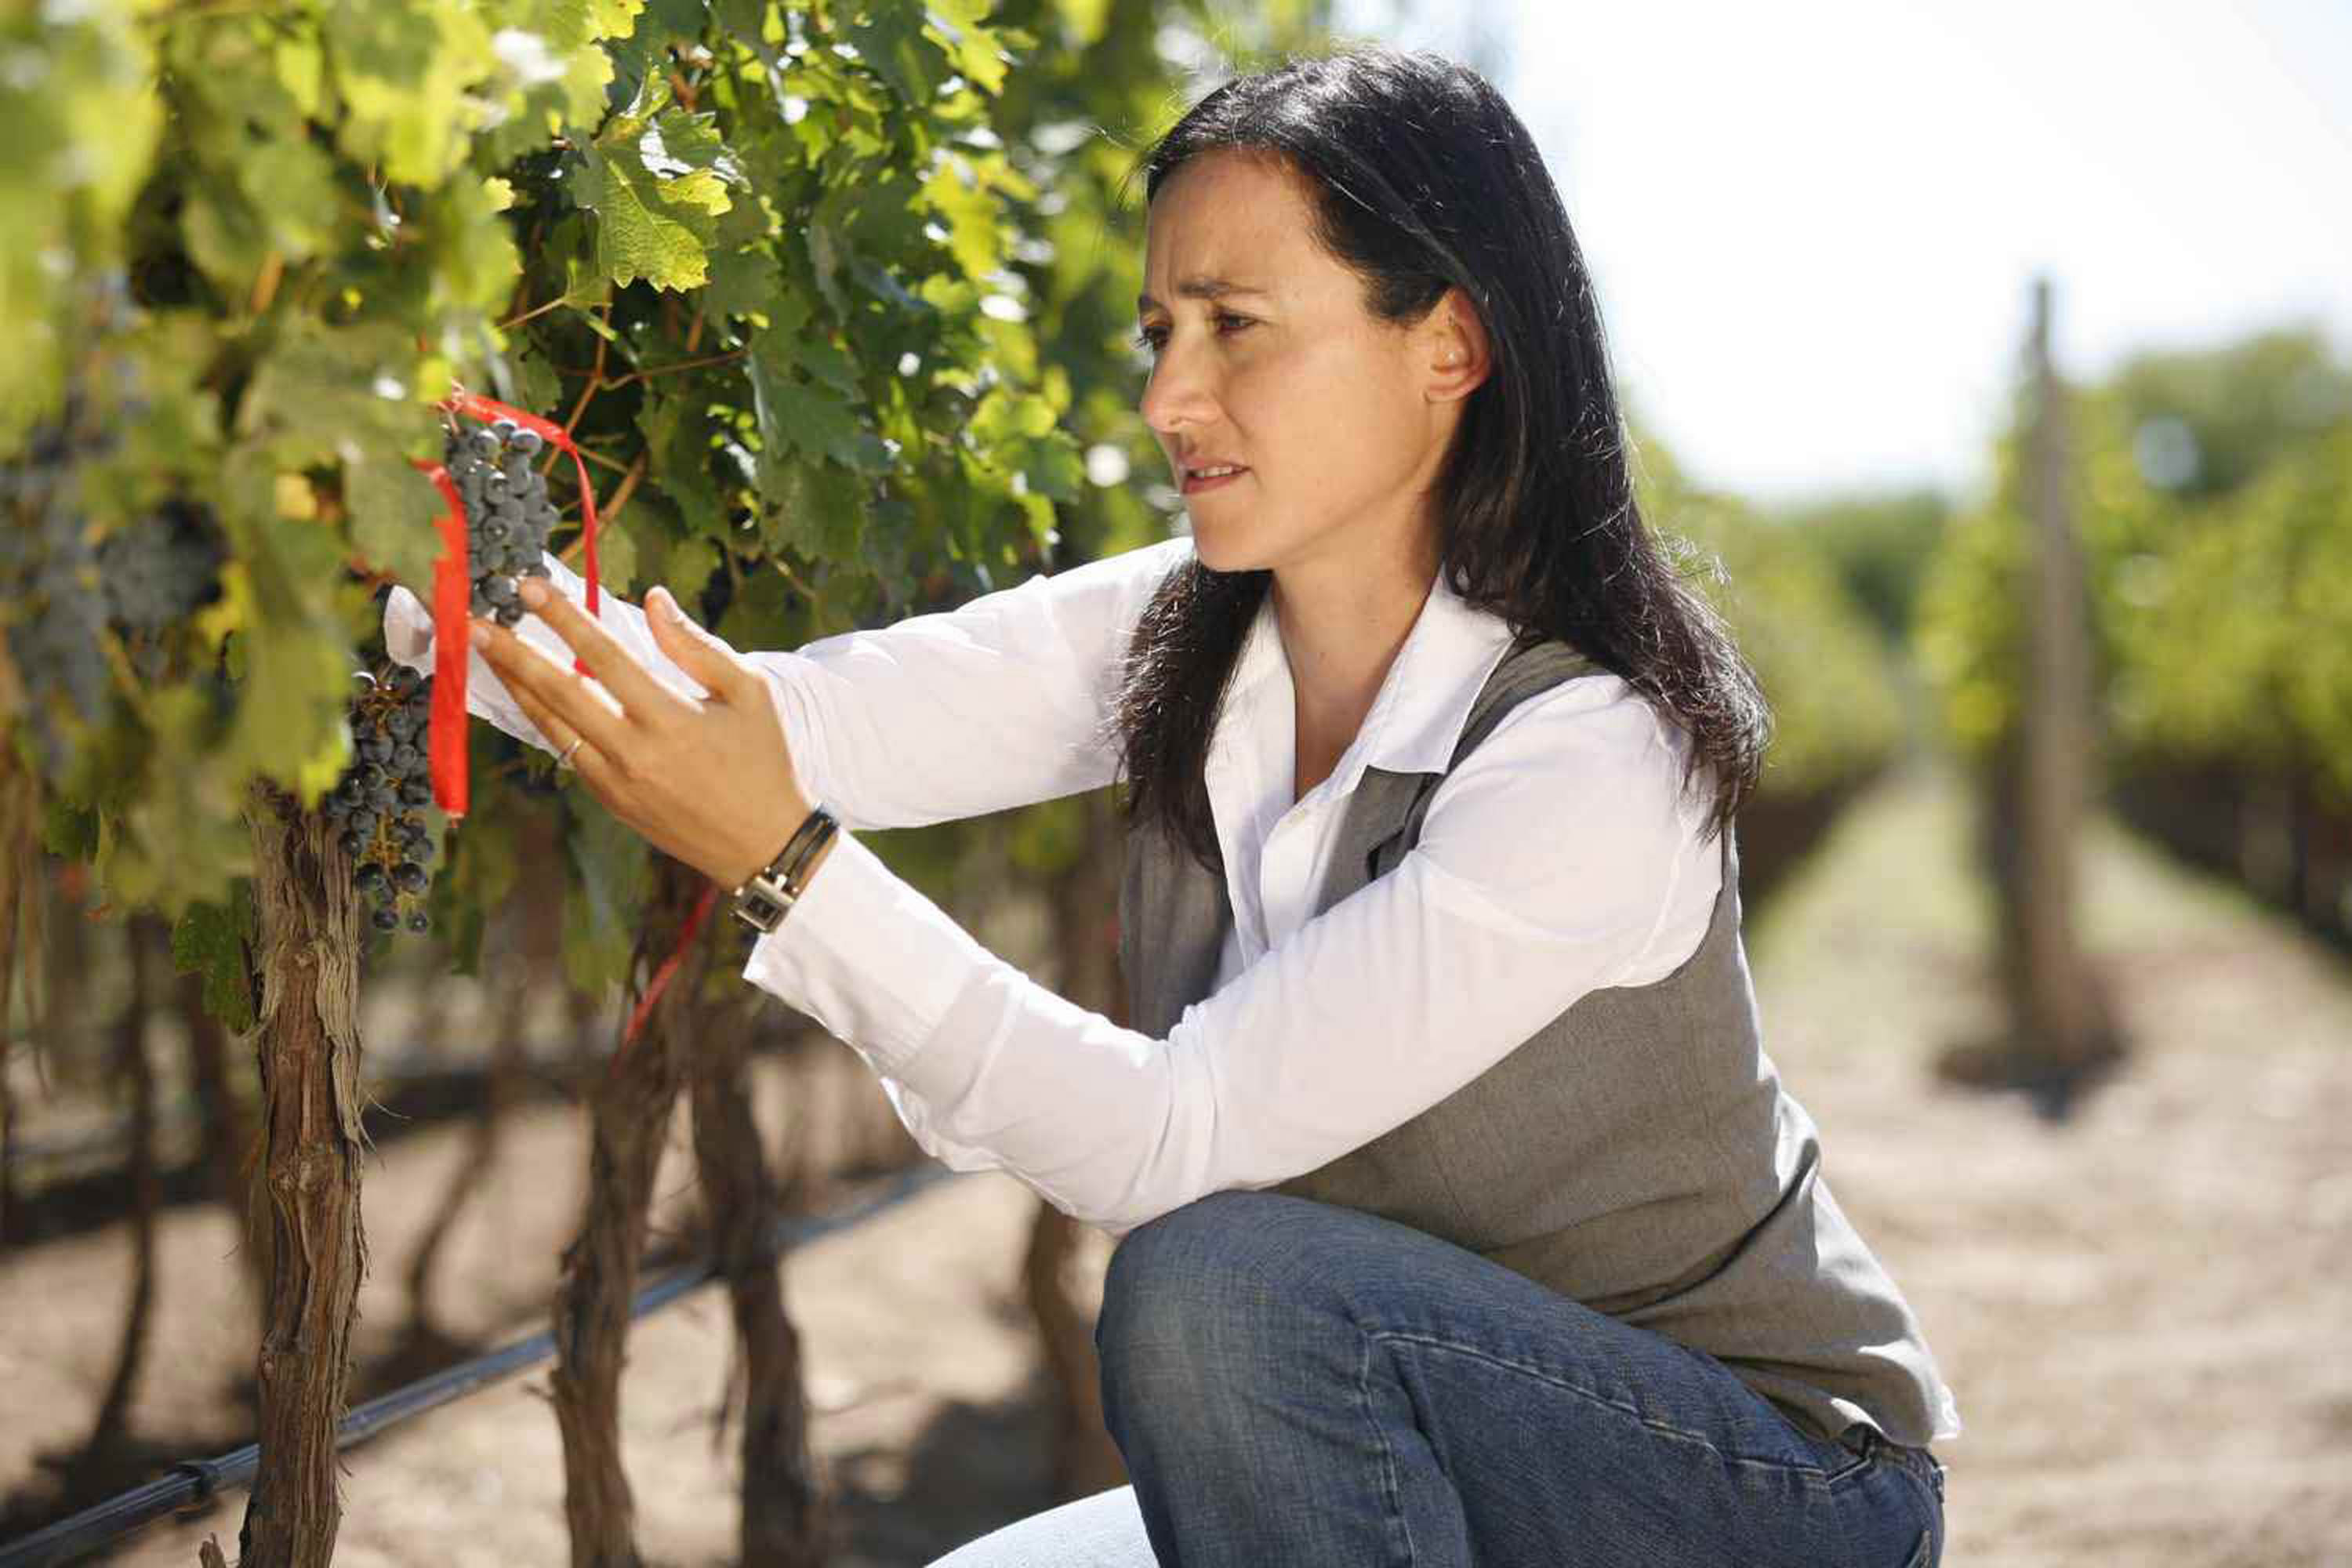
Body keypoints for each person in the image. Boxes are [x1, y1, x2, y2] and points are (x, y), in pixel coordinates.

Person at [389, 43, 1958, 1568]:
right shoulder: (1187, 632)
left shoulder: (1588, 757)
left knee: (1218, 1286)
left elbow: (1174, 1138)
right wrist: (410, 594)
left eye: (1237, 328)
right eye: (1159, 334)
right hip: (1414, 1414)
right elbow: (795, 719)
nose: (1169, 396)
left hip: (1759, 1487)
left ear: (1450, 348)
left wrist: (792, 870)